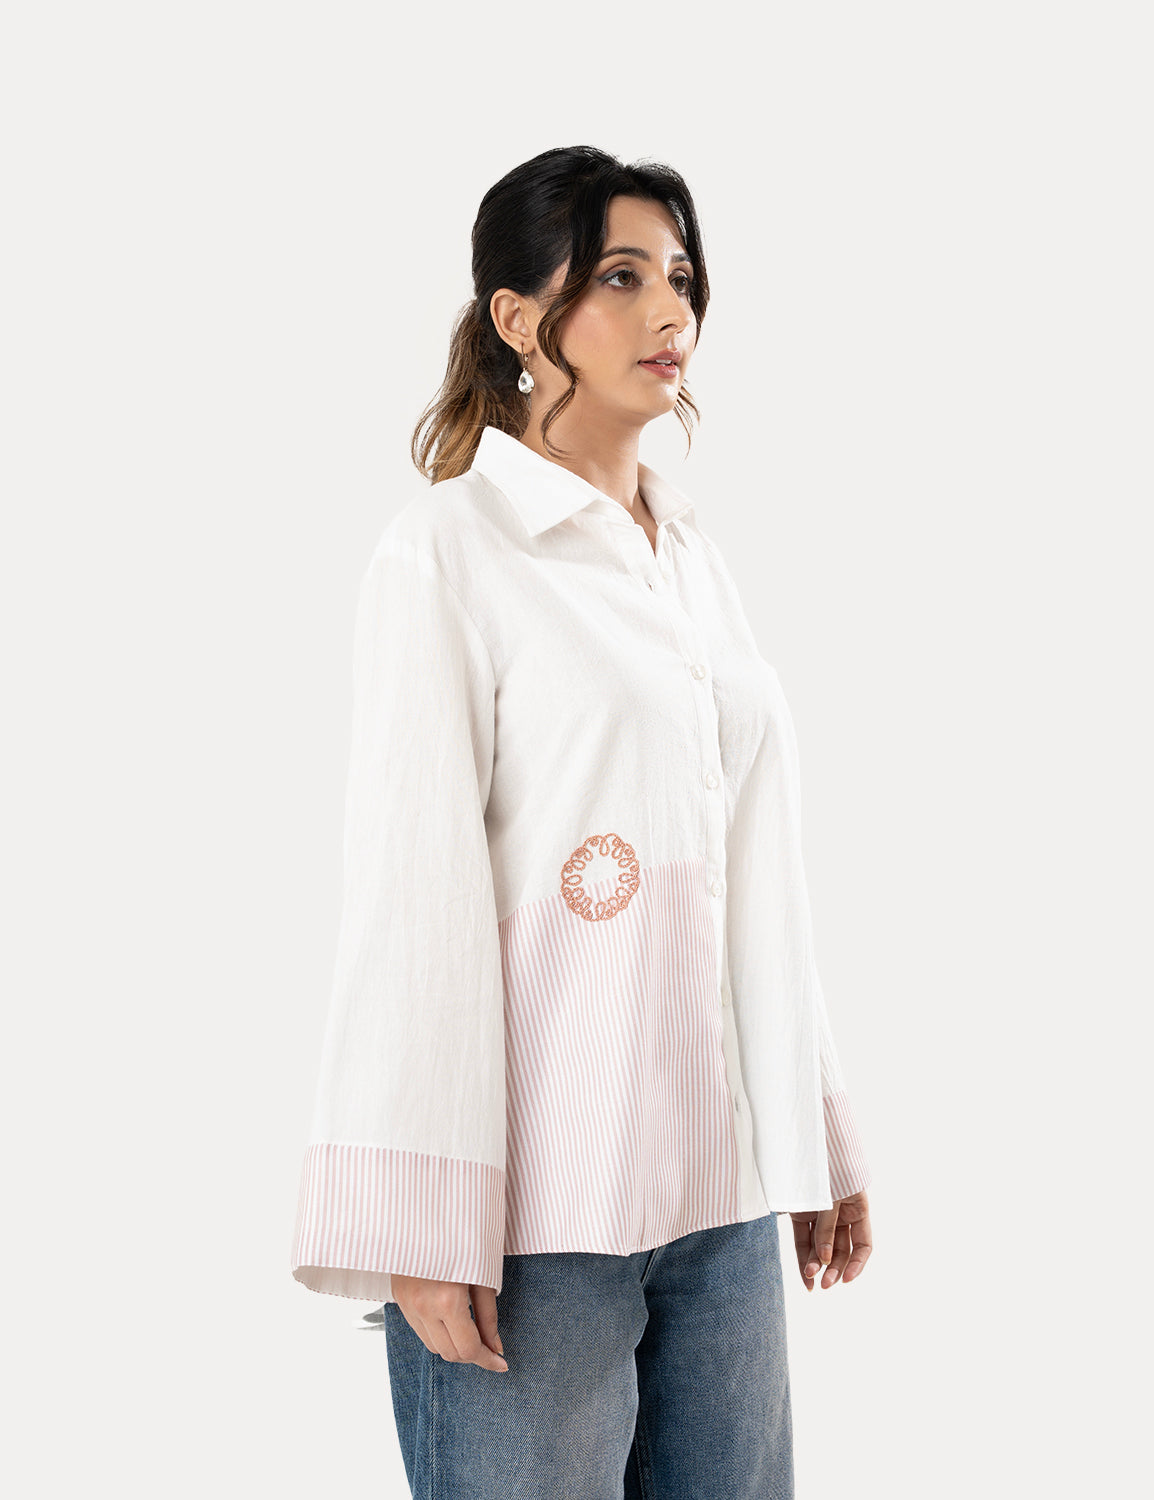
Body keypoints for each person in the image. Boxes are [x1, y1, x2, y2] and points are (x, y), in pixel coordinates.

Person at [291, 144, 874, 1499]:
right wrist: (421, 1221)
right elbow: (411, 896)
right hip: (534, 1223)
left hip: (721, 1204)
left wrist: (815, 1132)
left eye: (681, 275)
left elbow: (757, 872)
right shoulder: (447, 552)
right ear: (517, 317)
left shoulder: (693, 561)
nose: (672, 310)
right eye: (620, 277)